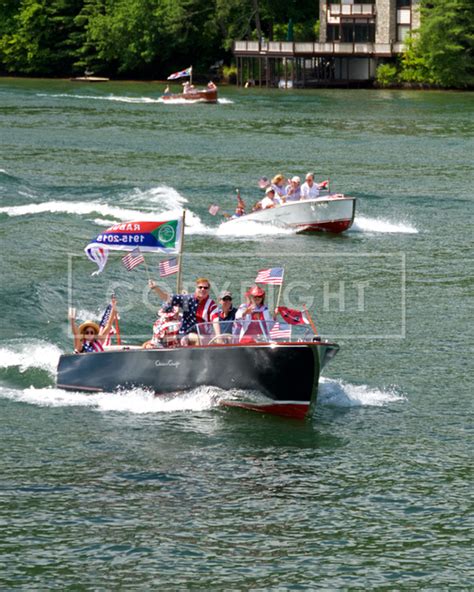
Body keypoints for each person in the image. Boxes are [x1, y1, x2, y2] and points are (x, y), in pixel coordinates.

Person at [148, 277, 220, 345]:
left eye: (205, 288)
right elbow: (167, 298)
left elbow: (215, 320)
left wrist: (218, 336)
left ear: (209, 290)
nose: (203, 289)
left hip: (204, 334)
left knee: (226, 338)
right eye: (200, 287)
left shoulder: (211, 304)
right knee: (199, 339)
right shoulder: (187, 299)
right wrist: (156, 288)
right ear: (196, 288)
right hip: (186, 332)